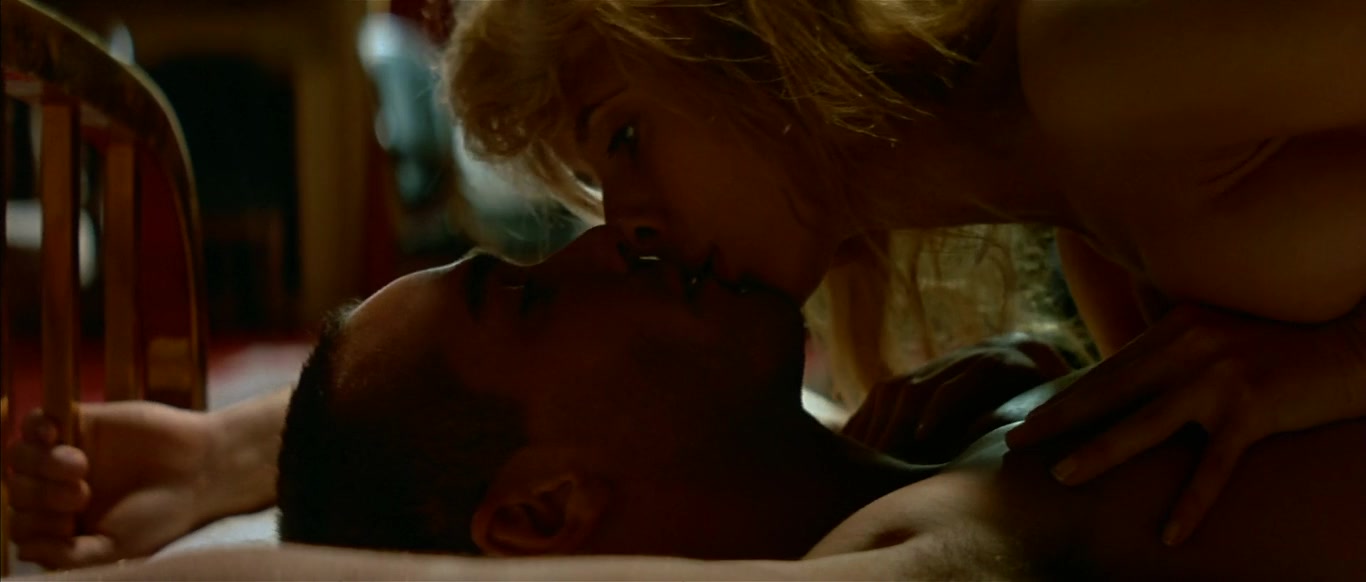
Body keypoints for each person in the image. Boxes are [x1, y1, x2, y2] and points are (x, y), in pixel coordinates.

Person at [446, 0, 1366, 545]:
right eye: (599, 181)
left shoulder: (1092, 55)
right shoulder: (1087, 238)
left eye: (624, 136)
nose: (625, 223)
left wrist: (1343, 361)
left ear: (728, 32)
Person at [9, 227, 1366, 581]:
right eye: (531, 297)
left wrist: (230, 451)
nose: (609, 237)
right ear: (543, 512)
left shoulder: (926, 419)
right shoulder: (944, 543)